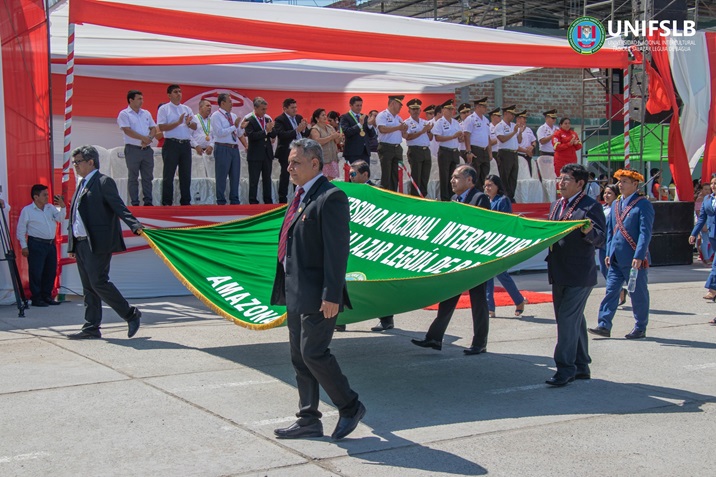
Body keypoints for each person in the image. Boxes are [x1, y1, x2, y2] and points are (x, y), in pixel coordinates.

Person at [270, 138, 365, 441]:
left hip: (319, 295)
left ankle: (350, 405)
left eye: (296, 162)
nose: (290, 168)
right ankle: (308, 418)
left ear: (315, 163)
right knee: (299, 357)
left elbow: (337, 252)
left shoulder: (331, 197)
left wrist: (332, 294)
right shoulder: (298, 197)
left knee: (314, 353)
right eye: (289, 162)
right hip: (296, 291)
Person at [66, 145, 144, 340]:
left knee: (99, 282)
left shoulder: (103, 182)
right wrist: (72, 244)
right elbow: (74, 217)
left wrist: (135, 225)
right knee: (89, 287)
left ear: (91, 162)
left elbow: (119, 206)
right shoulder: (82, 184)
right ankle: (91, 327)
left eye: (78, 162)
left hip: (98, 242)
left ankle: (130, 313)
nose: (75, 166)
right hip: (82, 243)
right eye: (74, 162)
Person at [411, 165, 491, 355]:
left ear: (469, 180)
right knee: (447, 297)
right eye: (452, 177)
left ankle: (480, 342)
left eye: (456, 177)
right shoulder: (455, 199)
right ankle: (434, 338)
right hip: (456, 259)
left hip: (476, 259)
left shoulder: (479, 199)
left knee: (478, 301)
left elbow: (482, 226)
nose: (452, 181)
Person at [545, 163, 606, 386]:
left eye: (566, 180)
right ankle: (581, 365)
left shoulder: (590, 207)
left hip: (579, 274)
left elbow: (600, 238)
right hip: (558, 271)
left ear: (580, 183)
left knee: (566, 321)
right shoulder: (556, 205)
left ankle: (564, 368)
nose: (561, 183)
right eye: (560, 179)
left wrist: (589, 231)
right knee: (574, 320)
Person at [589, 169, 654, 340]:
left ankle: (640, 326)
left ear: (635, 184)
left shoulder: (643, 204)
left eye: (625, 181)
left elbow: (644, 232)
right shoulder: (617, 204)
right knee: (611, 291)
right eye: (620, 181)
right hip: (616, 257)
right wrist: (609, 252)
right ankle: (604, 324)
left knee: (637, 293)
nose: (621, 184)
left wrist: (639, 255)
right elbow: (611, 231)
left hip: (633, 258)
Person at [347, 160, 395, 332]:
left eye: (353, 174)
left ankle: (386, 319)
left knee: (377, 284)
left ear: (365, 174)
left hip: (375, 245)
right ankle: (342, 317)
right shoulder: (350, 191)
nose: (350, 177)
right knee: (350, 280)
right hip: (355, 243)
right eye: (349, 174)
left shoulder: (378, 190)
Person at [482, 175, 527, 318]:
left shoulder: (502, 201)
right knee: (487, 275)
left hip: (498, 242)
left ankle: (519, 300)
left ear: (497, 186)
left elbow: (505, 221)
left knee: (501, 273)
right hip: (486, 242)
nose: (487, 188)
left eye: (490, 185)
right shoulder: (485, 201)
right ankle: (490, 307)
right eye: (486, 185)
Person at [16, 184, 65, 307]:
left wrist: (63, 207)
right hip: (36, 244)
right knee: (36, 272)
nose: (47, 197)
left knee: (50, 271)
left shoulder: (50, 208)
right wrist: (24, 246)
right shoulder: (27, 210)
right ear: (36, 197)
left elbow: (60, 219)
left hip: (50, 244)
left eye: (47, 194)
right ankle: (37, 298)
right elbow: (21, 230)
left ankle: (46, 296)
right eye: (44, 195)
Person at [157, 84, 197, 206]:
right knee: (168, 175)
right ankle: (167, 202)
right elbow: (162, 127)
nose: (179, 94)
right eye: (175, 92)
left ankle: (186, 202)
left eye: (180, 91)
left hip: (185, 144)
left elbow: (195, 126)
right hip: (171, 144)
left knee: (186, 175)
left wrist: (188, 123)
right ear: (169, 95)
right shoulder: (164, 109)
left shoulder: (186, 108)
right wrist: (178, 122)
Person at [117, 89, 157, 206]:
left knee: (148, 177)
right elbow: (127, 130)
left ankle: (148, 202)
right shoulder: (124, 114)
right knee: (133, 177)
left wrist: (148, 138)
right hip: (132, 149)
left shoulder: (146, 113)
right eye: (139, 99)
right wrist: (143, 138)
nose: (142, 101)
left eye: (142, 98)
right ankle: (135, 202)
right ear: (131, 100)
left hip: (147, 150)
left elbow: (153, 128)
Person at [210, 93, 246, 205]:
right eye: (229, 101)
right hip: (222, 147)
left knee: (235, 175)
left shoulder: (233, 116)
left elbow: (238, 133)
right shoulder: (216, 116)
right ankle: (221, 200)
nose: (232, 104)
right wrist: (234, 126)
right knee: (221, 176)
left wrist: (241, 127)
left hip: (234, 148)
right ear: (222, 103)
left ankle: (234, 200)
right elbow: (219, 133)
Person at [274, 98, 310, 203]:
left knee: (299, 174)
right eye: (292, 107)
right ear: (285, 108)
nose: (295, 110)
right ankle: (282, 199)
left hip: (300, 152)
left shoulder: (299, 118)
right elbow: (281, 135)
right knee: (285, 175)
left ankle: (298, 197)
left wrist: (304, 129)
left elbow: (306, 133)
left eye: (296, 107)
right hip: (286, 152)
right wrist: (296, 130)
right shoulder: (280, 119)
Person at [245, 97, 277, 204]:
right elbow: (251, 135)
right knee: (254, 180)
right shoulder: (249, 120)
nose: (264, 112)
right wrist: (265, 131)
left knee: (267, 179)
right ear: (256, 108)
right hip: (255, 154)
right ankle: (253, 200)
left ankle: (268, 200)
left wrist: (271, 129)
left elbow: (273, 134)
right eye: (262, 109)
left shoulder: (267, 119)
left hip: (266, 153)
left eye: (265, 109)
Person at [690, 173, 716, 301]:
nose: (713, 186)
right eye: (712, 183)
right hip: (712, 234)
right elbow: (702, 219)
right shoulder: (707, 200)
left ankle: (712, 289)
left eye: (715, 183)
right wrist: (694, 233)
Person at [433, 99, 463, 201]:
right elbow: (437, 138)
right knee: (444, 177)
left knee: (453, 176)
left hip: (454, 151)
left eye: (452, 109)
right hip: (445, 151)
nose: (451, 111)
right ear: (443, 110)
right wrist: (452, 136)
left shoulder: (455, 122)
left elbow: (459, 136)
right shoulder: (440, 122)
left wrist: (460, 137)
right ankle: (445, 198)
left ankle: (452, 196)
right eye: (448, 109)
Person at [375, 95, 407, 191]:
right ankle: (385, 195)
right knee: (386, 174)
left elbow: (404, 134)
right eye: (399, 104)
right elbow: (382, 129)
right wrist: (398, 127)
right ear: (393, 103)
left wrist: (405, 129)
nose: (401, 107)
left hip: (397, 147)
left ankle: (393, 193)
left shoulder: (398, 118)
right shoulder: (382, 115)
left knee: (395, 175)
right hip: (386, 147)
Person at [403, 98, 433, 197]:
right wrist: (422, 131)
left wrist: (428, 131)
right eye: (413, 109)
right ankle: (415, 196)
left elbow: (430, 137)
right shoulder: (406, 123)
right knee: (416, 176)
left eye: (417, 109)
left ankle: (423, 195)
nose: (415, 111)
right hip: (415, 150)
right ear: (409, 111)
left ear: (420, 110)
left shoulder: (424, 122)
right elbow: (408, 137)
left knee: (425, 176)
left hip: (426, 150)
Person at [462, 97, 491, 189]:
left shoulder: (486, 120)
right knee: (475, 174)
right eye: (484, 106)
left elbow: (488, 137)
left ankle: (483, 195)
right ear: (478, 107)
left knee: (485, 174)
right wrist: (469, 151)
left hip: (484, 150)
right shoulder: (470, 119)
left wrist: (489, 153)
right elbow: (467, 135)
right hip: (475, 149)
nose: (486, 108)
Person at [340, 96, 376, 165]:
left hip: (365, 151)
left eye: (360, 105)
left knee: (365, 174)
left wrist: (369, 125)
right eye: (357, 105)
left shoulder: (364, 117)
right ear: (350, 105)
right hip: (353, 152)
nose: (359, 107)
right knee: (354, 174)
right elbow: (347, 132)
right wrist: (359, 125)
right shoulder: (345, 117)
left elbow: (372, 135)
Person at [495, 105, 519, 201]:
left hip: (514, 153)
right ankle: (505, 196)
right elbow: (502, 139)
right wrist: (514, 132)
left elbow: (519, 140)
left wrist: (519, 132)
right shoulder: (500, 126)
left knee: (513, 176)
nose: (513, 116)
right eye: (511, 114)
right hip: (505, 153)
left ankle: (511, 196)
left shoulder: (514, 126)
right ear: (505, 113)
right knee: (505, 176)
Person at [309, 109, 342, 181]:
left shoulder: (330, 127)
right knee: (324, 181)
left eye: (325, 115)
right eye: (322, 115)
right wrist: (331, 137)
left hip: (333, 159)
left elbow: (336, 141)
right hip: (323, 160)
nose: (325, 117)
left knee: (333, 181)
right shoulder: (315, 129)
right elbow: (317, 141)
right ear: (317, 118)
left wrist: (339, 136)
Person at [599, 184, 619, 280]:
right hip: (602, 244)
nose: (606, 195)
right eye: (605, 193)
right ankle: (620, 292)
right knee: (604, 270)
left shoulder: (618, 210)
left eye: (609, 193)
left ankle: (616, 292)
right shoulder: (602, 208)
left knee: (611, 271)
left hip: (612, 244)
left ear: (616, 195)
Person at [693, 179, 714, 266]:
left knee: (711, 242)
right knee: (705, 240)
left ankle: (707, 257)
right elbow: (698, 213)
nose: (707, 191)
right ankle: (706, 258)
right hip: (703, 222)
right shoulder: (700, 199)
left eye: (708, 189)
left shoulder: (710, 198)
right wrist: (703, 224)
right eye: (705, 189)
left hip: (711, 222)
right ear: (701, 190)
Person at [515, 110, 536, 177]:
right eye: (523, 118)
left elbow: (534, 141)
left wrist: (532, 146)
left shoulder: (528, 129)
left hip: (528, 155)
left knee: (529, 175)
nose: (525, 120)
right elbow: (515, 144)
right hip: (519, 155)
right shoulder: (514, 129)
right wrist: (526, 151)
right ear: (518, 119)